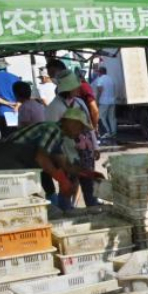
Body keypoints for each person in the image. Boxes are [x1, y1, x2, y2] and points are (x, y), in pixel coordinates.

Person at [0, 108, 93, 210]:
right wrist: (63, 180)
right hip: (0, 162)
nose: (80, 132)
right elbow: (41, 158)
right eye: (80, 127)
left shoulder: (57, 137)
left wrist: (87, 173)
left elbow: (66, 165)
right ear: (71, 122)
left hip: (6, 163)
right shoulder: (53, 129)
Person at [45, 72, 99, 207]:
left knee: (89, 184)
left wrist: (95, 146)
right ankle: (66, 211)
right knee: (68, 185)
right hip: (67, 152)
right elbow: (52, 134)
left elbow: (89, 125)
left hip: (86, 152)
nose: (78, 89)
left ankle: (92, 207)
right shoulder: (54, 107)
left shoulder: (80, 102)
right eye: (75, 87)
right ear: (67, 89)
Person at [92, 66, 117, 142]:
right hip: (112, 101)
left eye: (98, 72)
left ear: (100, 72)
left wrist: (97, 100)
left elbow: (100, 90)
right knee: (111, 117)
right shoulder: (111, 79)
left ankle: (107, 132)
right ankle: (113, 132)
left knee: (101, 117)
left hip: (104, 101)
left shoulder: (100, 79)